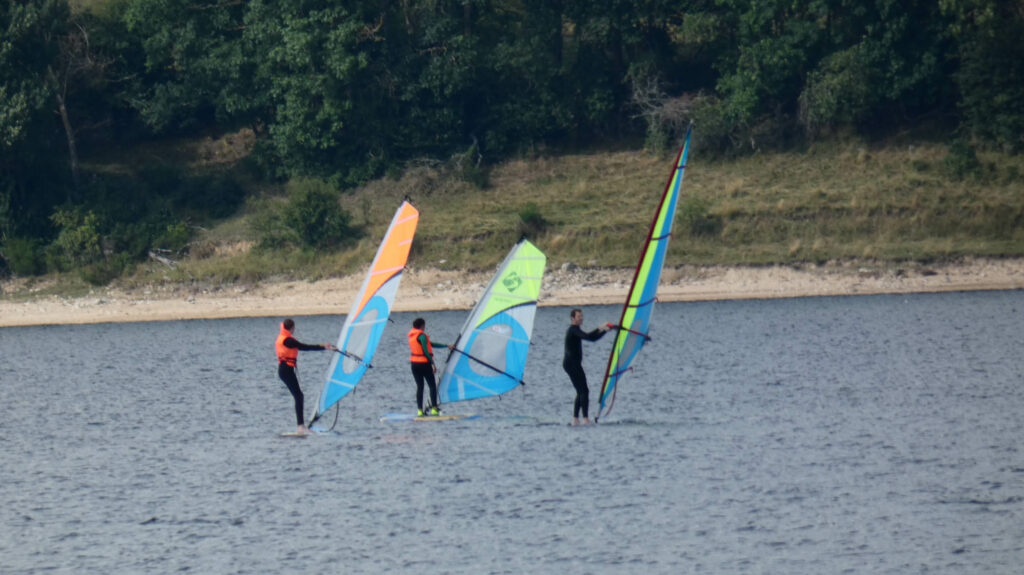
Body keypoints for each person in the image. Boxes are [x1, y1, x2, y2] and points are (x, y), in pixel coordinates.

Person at [275, 318, 336, 434]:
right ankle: (301, 427)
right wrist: (323, 347)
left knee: (299, 395)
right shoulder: (287, 340)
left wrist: (323, 346)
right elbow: (304, 347)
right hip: (286, 371)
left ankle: (301, 426)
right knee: (299, 396)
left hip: (285, 370)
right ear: (292, 328)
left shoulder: (283, 337)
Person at [563, 308, 611, 425]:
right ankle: (585, 419)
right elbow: (589, 337)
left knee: (581, 391)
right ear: (572, 318)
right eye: (579, 317)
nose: (581, 318)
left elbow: (591, 337)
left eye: (582, 316)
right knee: (584, 391)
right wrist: (603, 329)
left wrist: (603, 329)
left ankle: (575, 419)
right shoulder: (573, 330)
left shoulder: (576, 330)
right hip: (571, 364)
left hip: (572, 363)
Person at [408, 317, 452, 417]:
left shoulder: (412, 336)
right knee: (432, 386)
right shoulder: (422, 336)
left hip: (414, 364)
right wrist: (432, 364)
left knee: (420, 387)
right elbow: (426, 351)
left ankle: (420, 411)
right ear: (422, 325)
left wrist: (446, 345)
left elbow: (431, 344)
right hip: (424, 363)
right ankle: (434, 409)